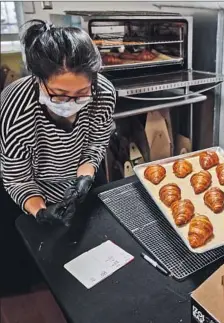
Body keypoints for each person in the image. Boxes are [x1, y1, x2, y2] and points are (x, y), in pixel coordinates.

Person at [0, 20, 116, 294]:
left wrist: (86, 174)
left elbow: (97, 141)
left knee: (89, 256)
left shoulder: (104, 93)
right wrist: (39, 209)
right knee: (30, 264)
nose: (71, 104)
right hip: (30, 186)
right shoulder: (16, 104)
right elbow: (16, 175)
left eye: (81, 94)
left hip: (78, 179)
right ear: (39, 80)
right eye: (59, 95)